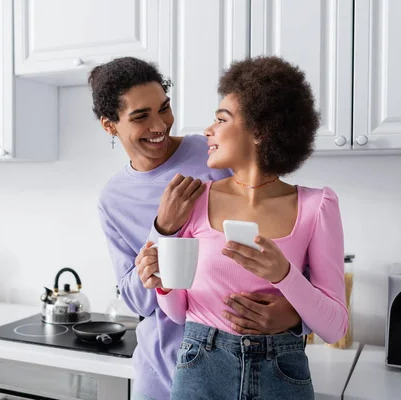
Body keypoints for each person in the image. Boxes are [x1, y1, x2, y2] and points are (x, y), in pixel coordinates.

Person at [91, 57, 306, 400]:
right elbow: (137, 300)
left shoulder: (213, 154)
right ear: (109, 125)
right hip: (161, 370)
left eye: (164, 108)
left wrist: (296, 317)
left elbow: (284, 245)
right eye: (141, 116)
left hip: (238, 365)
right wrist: (163, 228)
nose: (160, 124)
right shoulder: (113, 198)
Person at [138, 56, 348, 399]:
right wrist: (162, 284)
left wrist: (285, 277)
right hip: (200, 367)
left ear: (260, 131)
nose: (208, 130)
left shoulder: (317, 206)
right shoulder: (195, 199)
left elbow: (335, 327)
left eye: (221, 120)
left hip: (281, 373)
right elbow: (178, 313)